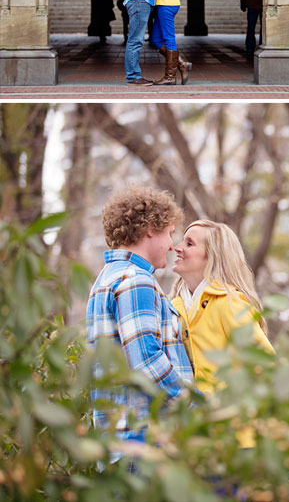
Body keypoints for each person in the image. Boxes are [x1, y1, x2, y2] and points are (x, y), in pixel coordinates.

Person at [86, 185, 194, 456]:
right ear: (150, 228)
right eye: (170, 233)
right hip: (143, 440)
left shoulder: (106, 279)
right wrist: (197, 406)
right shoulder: (135, 280)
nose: (172, 245)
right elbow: (146, 359)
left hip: (119, 440)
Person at [170, 219, 274, 398]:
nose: (177, 248)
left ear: (212, 257)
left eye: (189, 243)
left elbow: (266, 364)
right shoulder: (172, 307)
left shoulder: (229, 304)